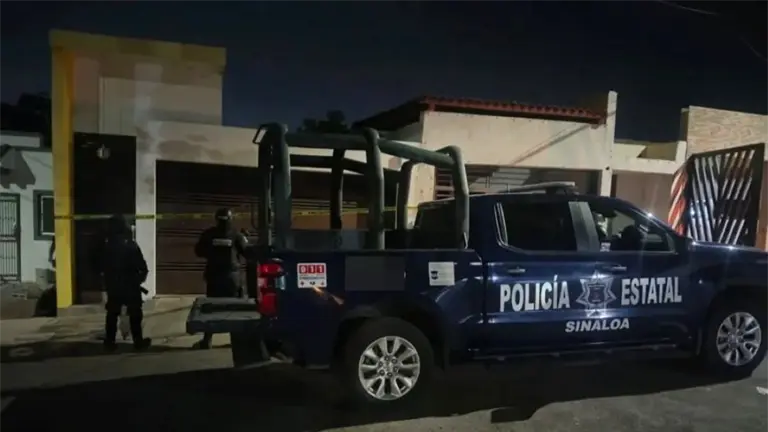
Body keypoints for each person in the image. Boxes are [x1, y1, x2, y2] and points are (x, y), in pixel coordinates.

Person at [94, 215, 151, 352]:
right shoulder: (130, 245)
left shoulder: (106, 247)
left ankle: (110, 342)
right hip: (131, 286)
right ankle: (138, 342)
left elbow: (99, 266)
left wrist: (107, 281)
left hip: (114, 286)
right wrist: (138, 280)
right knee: (135, 314)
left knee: (112, 314)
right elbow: (142, 267)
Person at [194, 208, 249, 349]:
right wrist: (245, 238)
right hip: (232, 278)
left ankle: (207, 340)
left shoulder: (209, 234)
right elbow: (247, 253)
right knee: (234, 309)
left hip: (214, 276)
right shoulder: (236, 235)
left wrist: (212, 252)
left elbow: (198, 251)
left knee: (212, 308)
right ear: (231, 219)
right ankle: (236, 341)